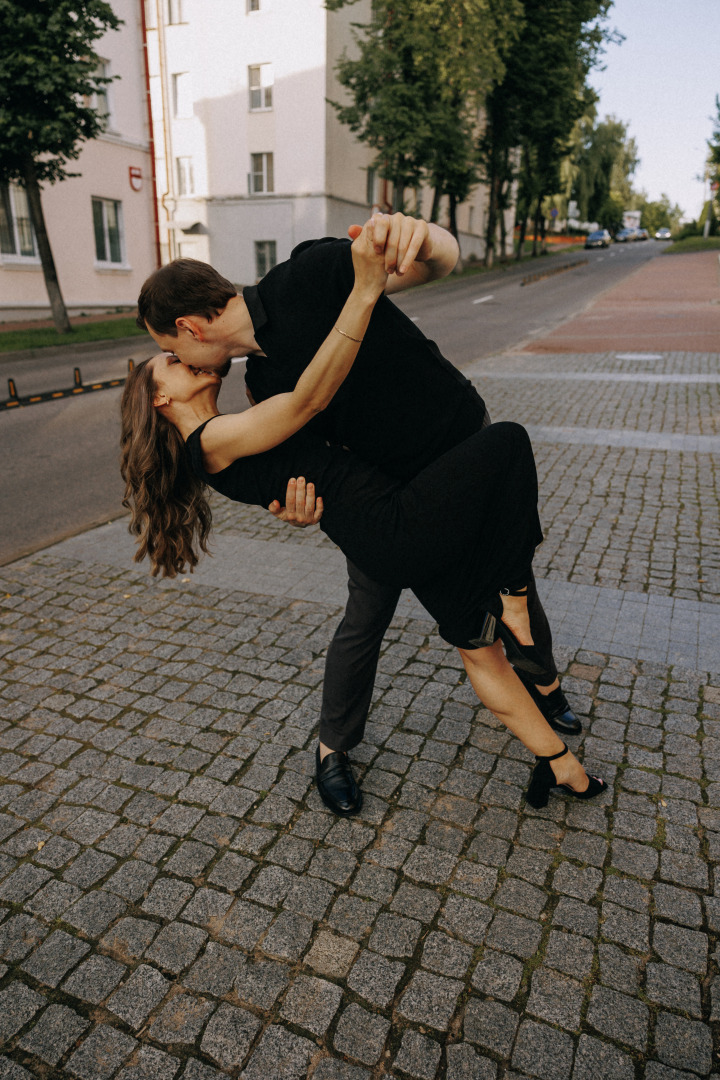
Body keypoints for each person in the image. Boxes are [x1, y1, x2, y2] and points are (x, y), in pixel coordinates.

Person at [121, 220, 607, 813]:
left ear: (191, 327)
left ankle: (552, 721)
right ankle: (334, 748)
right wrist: (291, 507)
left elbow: (436, 261)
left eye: (171, 348)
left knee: (490, 625)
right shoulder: (260, 385)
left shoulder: (306, 274)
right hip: (385, 508)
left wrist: (420, 237)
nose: (176, 356)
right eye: (169, 359)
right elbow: (304, 420)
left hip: (447, 459)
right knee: (375, 621)